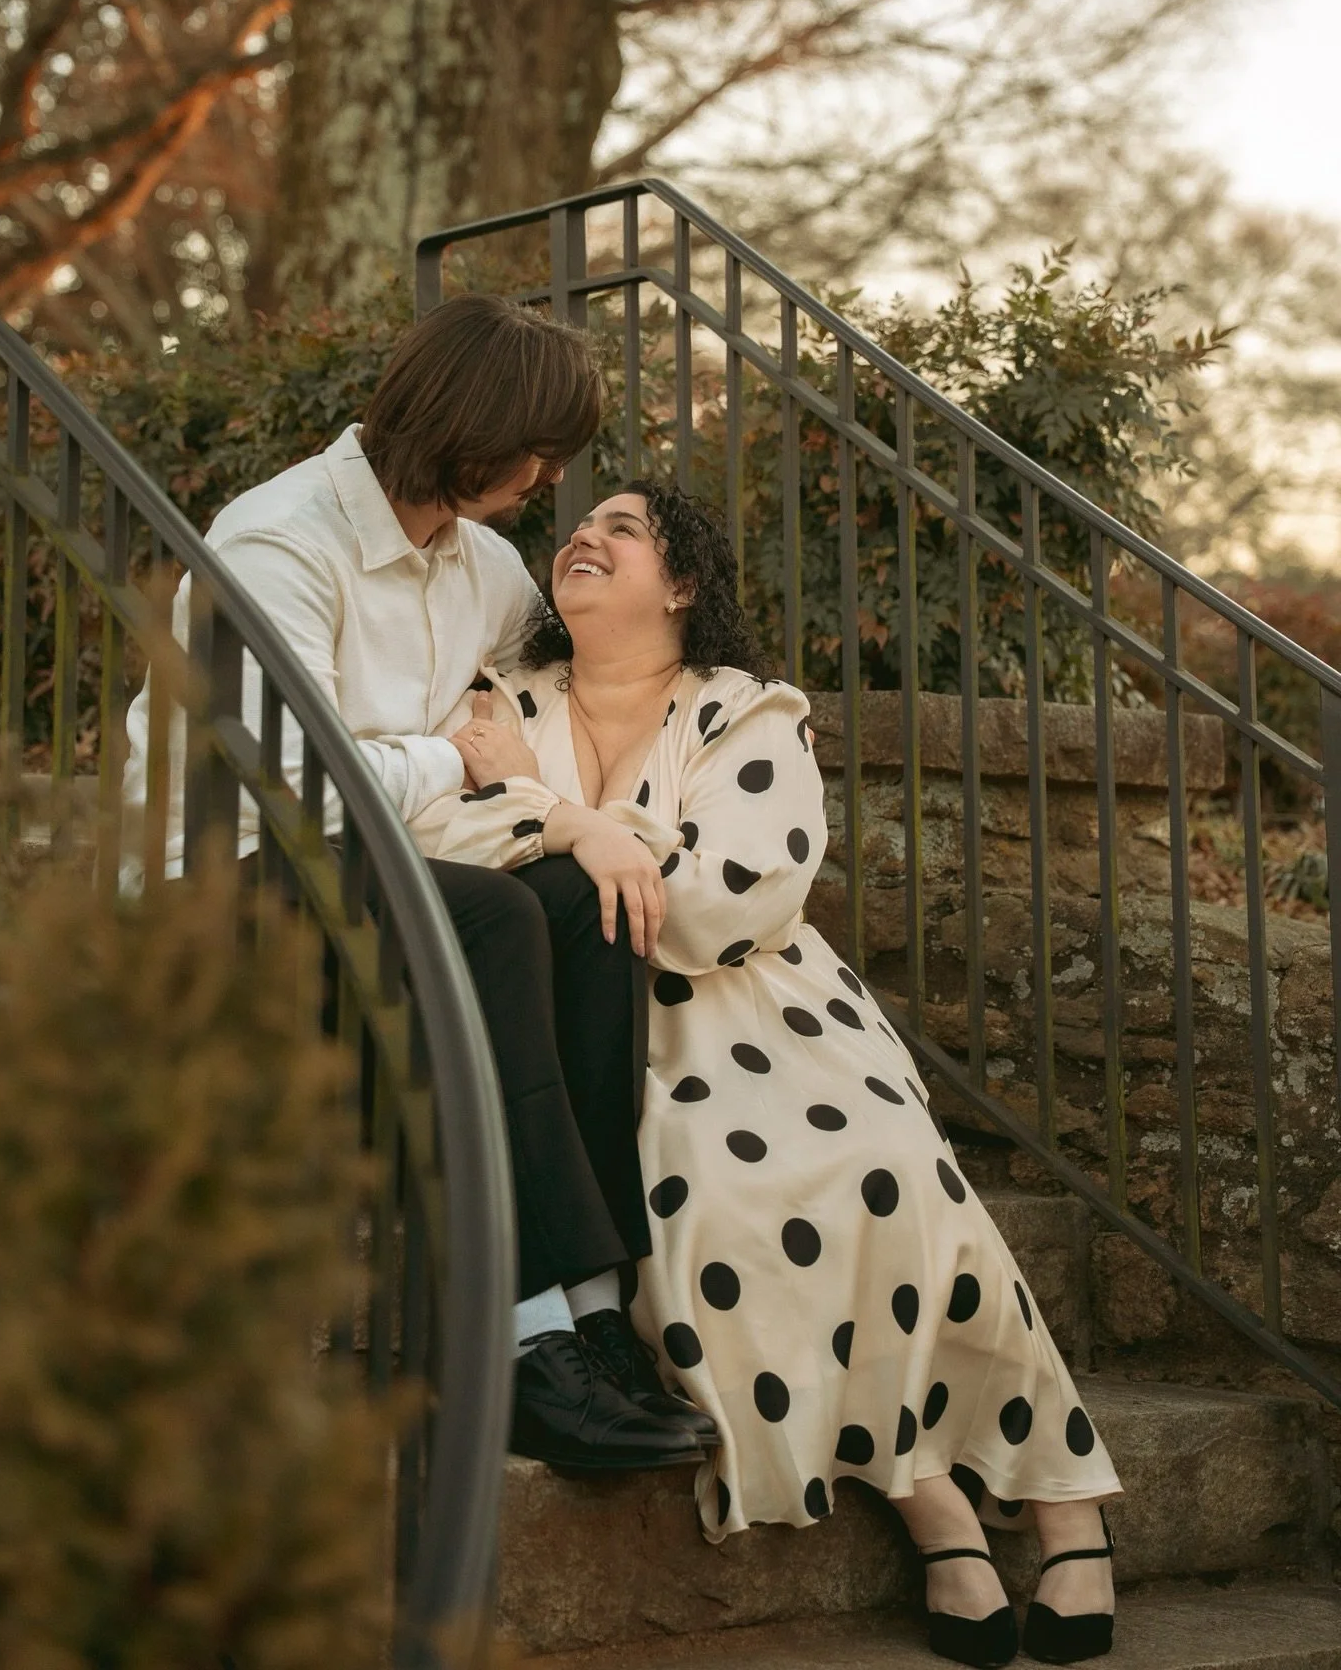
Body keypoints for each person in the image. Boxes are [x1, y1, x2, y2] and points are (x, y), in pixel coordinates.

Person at [412, 480, 1123, 1669]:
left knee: (887, 1167)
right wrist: (589, 831)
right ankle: (930, 1502)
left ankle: (1065, 1500)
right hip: (585, 1026)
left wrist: (544, 811)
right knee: (716, 1200)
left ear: (682, 584)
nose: (584, 536)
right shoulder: (497, 695)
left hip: (762, 1009)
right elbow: (435, 834)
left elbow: (726, 899)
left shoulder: (747, 710)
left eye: (623, 529)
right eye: (579, 525)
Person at [120, 297, 716, 1474]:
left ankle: (595, 1314)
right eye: (539, 449)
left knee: (585, 909)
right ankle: (519, 1341)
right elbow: (292, 791)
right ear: (473, 432)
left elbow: (589, 660)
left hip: (380, 867)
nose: (550, 477)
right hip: (222, 884)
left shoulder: (480, 564)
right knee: (489, 916)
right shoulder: (280, 544)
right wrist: (452, 756)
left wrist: (598, 810)